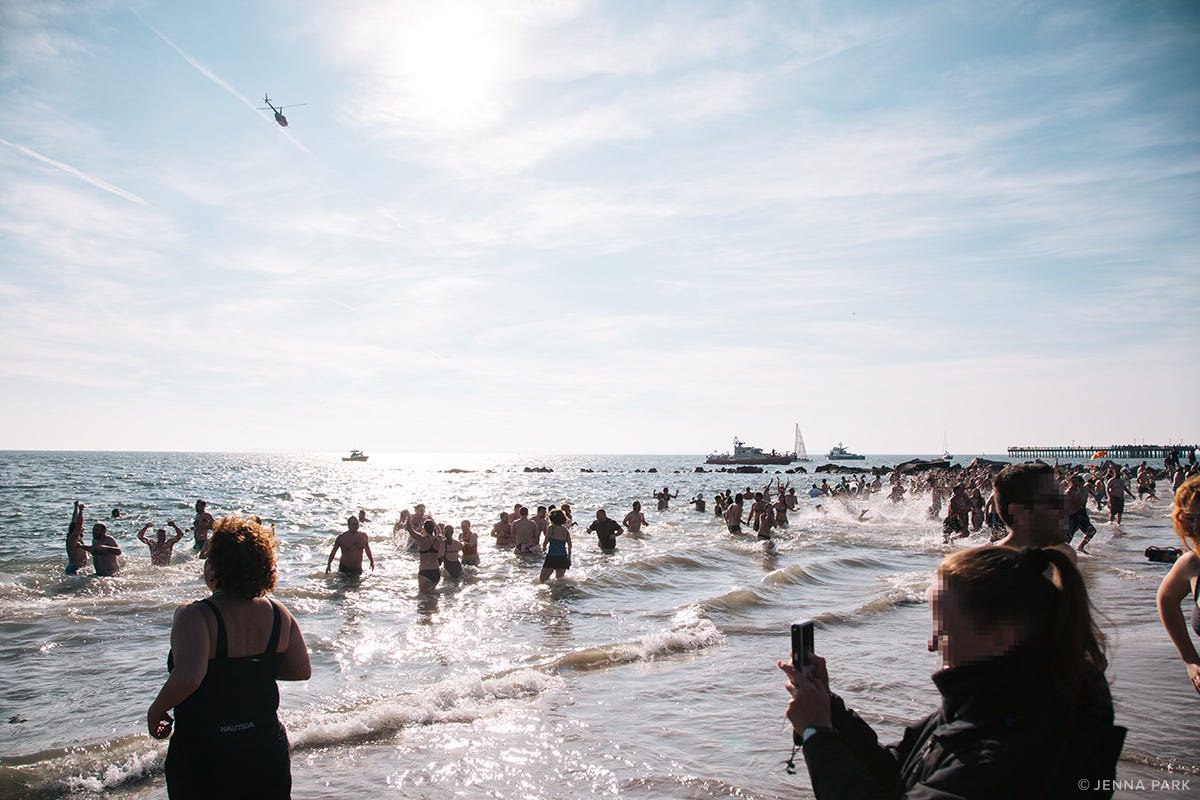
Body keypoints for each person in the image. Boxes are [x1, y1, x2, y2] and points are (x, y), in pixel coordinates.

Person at [779, 546, 1124, 798]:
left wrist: (817, 735)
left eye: (942, 631)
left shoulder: (1014, 751)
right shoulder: (996, 702)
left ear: (1002, 637)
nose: (931, 644)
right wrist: (831, 711)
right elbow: (901, 774)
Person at [147, 515, 310, 798]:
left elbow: (189, 677)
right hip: (265, 746)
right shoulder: (279, 613)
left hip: (207, 751)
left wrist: (156, 710)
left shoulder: (195, 614)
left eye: (209, 557)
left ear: (219, 565)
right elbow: (300, 670)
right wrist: (253, 668)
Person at [1155, 474, 1200, 695]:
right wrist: (1190, 659)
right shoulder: (1192, 564)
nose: (1197, 526)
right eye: (1191, 518)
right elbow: (1167, 599)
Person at [991, 462, 1075, 561]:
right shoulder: (992, 568)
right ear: (1019, 512)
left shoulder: (1064, 557)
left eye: (1066, 500)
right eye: (1056, 502)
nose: (1067, 508)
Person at [1065, 475, 1099, 553]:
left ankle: (1080, 547)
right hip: (1073, 515)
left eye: (1077, 481)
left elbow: (1093, 495)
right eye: (1074, 481)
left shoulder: (1082, 490)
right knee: (1069, 536)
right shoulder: (1069, 492)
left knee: (1091, 531)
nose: (1076, 483)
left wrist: (1098, 504)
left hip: (1081, 515)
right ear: (1070, 482)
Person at [540, 509, 572, 582]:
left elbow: (546, 541)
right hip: (563, 558)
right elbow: (570, 546)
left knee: (542, 579)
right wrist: (569, 559)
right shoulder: (565, 530)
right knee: (559, 581)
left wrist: (543, 548)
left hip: (552, 557)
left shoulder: (551, 528)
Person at [413, 519, 443, 592]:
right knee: (433, 597)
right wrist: (434, 523)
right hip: (436, 572)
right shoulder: (438, 539)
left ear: (424, 528)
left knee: (423, 598)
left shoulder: (421, 539)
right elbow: (440, 532)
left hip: (425, 572)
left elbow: (410, 530)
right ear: (433, 528)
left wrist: (408, 520)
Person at [66, 501, 88, 575]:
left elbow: (74, 521)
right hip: (75, 569)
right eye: (82, 527)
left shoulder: (75, 537)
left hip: (78, 568)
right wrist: (81, 511)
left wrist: (76, 508)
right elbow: (78, 526)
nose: (83, 529)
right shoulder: (73, 538)